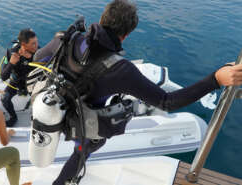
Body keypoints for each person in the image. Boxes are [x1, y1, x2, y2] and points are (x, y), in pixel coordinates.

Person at [33, 0, 242, 184]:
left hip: (53, 107)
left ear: (102, 18)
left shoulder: (64, 39)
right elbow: (167, 102)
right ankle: (61, 181)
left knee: (83, 147)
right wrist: (215, 79)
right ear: (126, 36)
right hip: (81, 123)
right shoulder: (121, 70)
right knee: (84, 149)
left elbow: (38, 60)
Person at [0, 28, 39, 127]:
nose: (36, 46)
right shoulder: (11, 53)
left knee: (41, 100)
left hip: (33, 82)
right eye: (33, 44)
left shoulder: (38, 53)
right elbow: (3, 77)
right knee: (4, 98)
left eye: (36, 42)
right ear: (23, 44)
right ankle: (13, 117)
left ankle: (37, 118)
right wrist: (11, 64)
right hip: (16, 82)